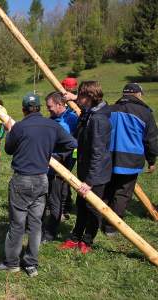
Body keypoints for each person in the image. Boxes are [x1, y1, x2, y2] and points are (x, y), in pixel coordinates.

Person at [0, 93, 76, 277]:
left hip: (22, 180)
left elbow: (8, 150)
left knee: (17, 224)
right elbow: (71, 143)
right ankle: (31, 264)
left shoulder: (19, 127)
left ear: (24, 109)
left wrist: (10, 131)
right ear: (40, 108)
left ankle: (12, 263)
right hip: (42, 180)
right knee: (35, 224)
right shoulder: (52, 126)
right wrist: (53, 153)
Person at [60, 81, 112, 253]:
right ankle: (75, 237)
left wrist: (89, 181)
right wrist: (73, 98)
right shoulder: (91, 112)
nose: (78, 98)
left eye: (80, 95)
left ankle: (87, 240)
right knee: (81, 205)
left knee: (92, 208)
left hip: (95, 175)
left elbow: (98, 153)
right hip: (86, 170)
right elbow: (83, 113)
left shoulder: (98, 119)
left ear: (89, 97)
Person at [103, 83, 158, 235]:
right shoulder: (145, 112)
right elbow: (151, 140)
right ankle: (111, 227)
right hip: (130, 160)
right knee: (122, 193)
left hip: (108, 158)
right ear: (137, 94)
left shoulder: (110, 109)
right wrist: (152, 160)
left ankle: (99, 219)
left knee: (108, 189)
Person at [42, 92, 78, 242]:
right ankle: (40, 225)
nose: (48, 110)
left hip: (60, 166)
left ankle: (50, 233)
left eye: (50, 107)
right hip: (47, 164)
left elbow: (74, 143)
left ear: (60, 104)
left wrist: (60, 157)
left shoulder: (72, 119)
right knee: (46, 196)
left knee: (55, 198)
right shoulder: (52, 119)